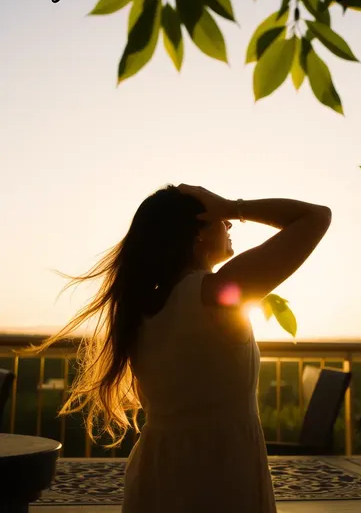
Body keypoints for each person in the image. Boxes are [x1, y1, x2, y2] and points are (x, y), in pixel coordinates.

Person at [19, 183, 332, 513]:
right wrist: (231, 205)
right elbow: (316, 217)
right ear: (195, 233)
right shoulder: (217, 292)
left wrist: (221, 210)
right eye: (216, 218)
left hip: (156, 468)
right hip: (221, 473)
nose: (227, 224)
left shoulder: (140, 306)